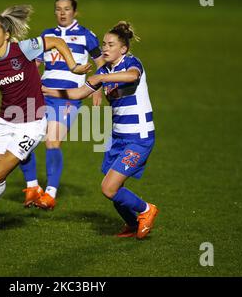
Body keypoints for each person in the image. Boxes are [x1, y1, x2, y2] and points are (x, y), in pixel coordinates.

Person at [0, 5, 91, 228]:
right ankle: (32, 188)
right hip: (5, 122)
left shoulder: (24, 49)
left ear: (6, 35)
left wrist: (73, 66)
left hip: (32, 124)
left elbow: (57, 42)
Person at [42, 21, 158, 239]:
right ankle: (133, 225)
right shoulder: (105, 69)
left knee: (109, 188)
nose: (104, 48)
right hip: (118, 138)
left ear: (123, 49)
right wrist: (48, 90)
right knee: (113, 185)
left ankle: (146, 210)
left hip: (139, 137)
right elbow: (77, 94)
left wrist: (101, 78)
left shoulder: (131, 63)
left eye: (110, 44)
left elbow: (132, 77)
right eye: (104, 44)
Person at [19, 0, 104, 210]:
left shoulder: (87, 35)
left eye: (66, 9)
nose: (62, 13)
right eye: (58, 9)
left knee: (52, 141)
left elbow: (102, 64)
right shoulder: (47, 35)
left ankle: (50, 194)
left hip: (68, 98)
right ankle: (32, 187)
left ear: (75, 12)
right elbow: (35, 64)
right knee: (22, 140)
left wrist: (97, 88)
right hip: (42, 94)